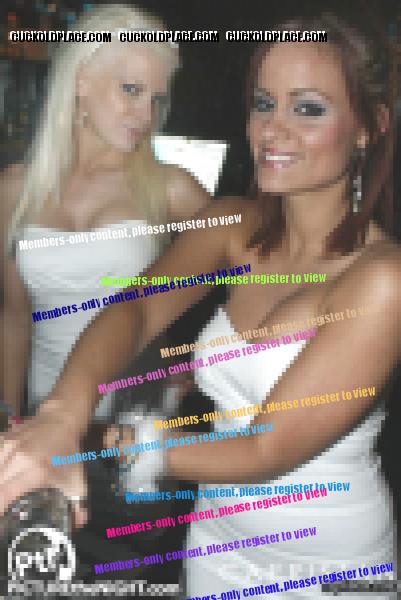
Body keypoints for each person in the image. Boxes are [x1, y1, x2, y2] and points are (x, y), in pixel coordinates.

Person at [1, 12, 400, 598]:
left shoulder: (383, 278)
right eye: (264, 104)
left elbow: (265, 447)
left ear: (368, 127)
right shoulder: (234, 226)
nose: (273, 129)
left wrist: (90, 442)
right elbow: (136, 309)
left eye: (308, 108)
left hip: (328, 563)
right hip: (214, 544)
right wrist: (61, 412)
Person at [0, 0, 208, 580]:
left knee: (128, 577)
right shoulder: (13, 192)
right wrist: (11, 417)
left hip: (133, 436)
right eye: (131, 90)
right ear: (81, 82)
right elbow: (15, 318)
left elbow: (245, 274)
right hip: (46, 426)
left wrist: (196, 363)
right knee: (39, 576)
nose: (146, 114)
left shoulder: (170, 189)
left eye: (156, 98)